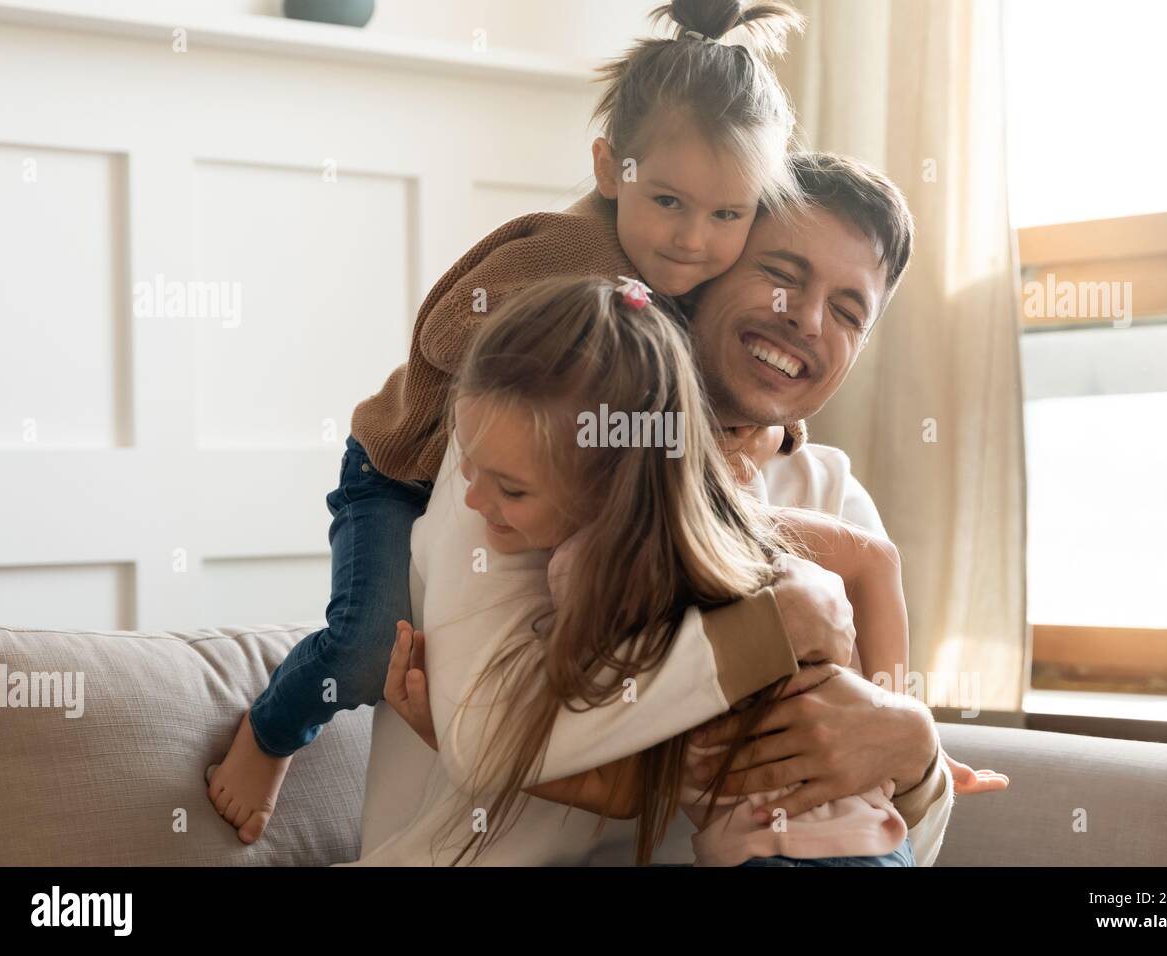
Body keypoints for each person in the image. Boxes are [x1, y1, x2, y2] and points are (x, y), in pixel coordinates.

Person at [205, 0, 814, 843]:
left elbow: (687, 391)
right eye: (668, 200)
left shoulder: (680, 282)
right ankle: (269, 735)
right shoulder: (575, 255)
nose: (692, 239)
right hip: (397, 467)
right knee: (366, 644)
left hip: (518, 490)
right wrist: (551, 347)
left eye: (727, 215)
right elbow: (445, 329)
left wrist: (773, 432)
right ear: (610, 168)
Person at [355, 153, 1002, 868]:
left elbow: (905, 840)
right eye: (781, 274)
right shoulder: (535, 442)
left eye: (849, 311)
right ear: (703, 271)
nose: (807, 319)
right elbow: (484, 731)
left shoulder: (836, 500)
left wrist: (910, 746)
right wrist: (761, 637)